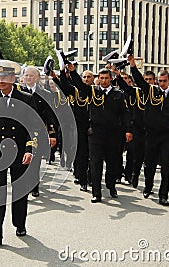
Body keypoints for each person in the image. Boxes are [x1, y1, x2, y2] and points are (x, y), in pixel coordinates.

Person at [0, 60, 39, 246]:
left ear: (13, 79)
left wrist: (30, 149)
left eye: (4, 78)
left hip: (20, 152)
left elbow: (34, 127)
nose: (0, 81)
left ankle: (20, 223)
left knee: (19, 190)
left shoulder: (26, 99)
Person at [68, 64, 132, 203]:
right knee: (95, 162)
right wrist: (73, 71)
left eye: (106, 78)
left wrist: (128, 129)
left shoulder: (118, 94)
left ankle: (111, 186)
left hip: (113, 133)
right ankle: (96, 192)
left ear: (110, 79)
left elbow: (124, 113)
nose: (103, 81)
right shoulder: (92, 91)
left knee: (112, 162)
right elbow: (79, 84)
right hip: (95, 132)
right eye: (101, 78)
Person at [129, 55, 169, 206]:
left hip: (166, 135)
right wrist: (133, 65)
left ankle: (164, 195)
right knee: (149, 164)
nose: (162, 84)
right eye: (159, 81)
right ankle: (148, 186)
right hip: (150, 134)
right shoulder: (150, 92)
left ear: (168, 81)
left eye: (164, 81)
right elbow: (140, 81)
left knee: (165, 166)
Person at [21, 66, 56, 196]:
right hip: (22, 130)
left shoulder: (45, 94)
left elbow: (49, 116)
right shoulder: (18, 92)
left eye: (31, 75)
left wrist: (52, 134)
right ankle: (23, 185)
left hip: (38, 132)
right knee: (23, 158)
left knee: (35, 161)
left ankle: (34, 186)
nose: (28, 78)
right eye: (26, 75)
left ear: (37, 78)